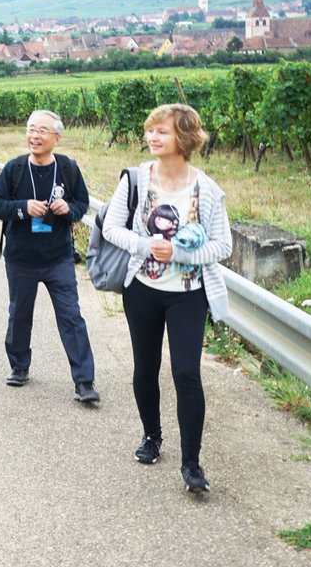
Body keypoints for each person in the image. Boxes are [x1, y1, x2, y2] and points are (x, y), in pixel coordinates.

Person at [101, 103, 232, 493]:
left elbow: (223, 245)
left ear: (185, 138)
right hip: (142, 289)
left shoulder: (205, 189)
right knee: (145, 367)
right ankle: (152, 437)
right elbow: (110, 227)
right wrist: (144, 245)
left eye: (162, 131)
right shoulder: (136, 179)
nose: (152, 138)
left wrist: (181, 254)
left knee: (187, 373)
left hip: (188, 295)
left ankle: (191, 464)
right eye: (150, 131)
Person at [0, 110, 97, 402]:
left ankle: (84, 381)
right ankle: (19, 366)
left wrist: (68, 211)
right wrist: (23, 208)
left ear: (56, 137)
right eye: (31, 129)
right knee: (20, 315)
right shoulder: (15, 168)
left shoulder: (69, 168)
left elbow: (81, 203)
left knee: (71, 316)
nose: (34, 136)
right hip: (21, 257)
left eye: (42, 131)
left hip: (58, 257)